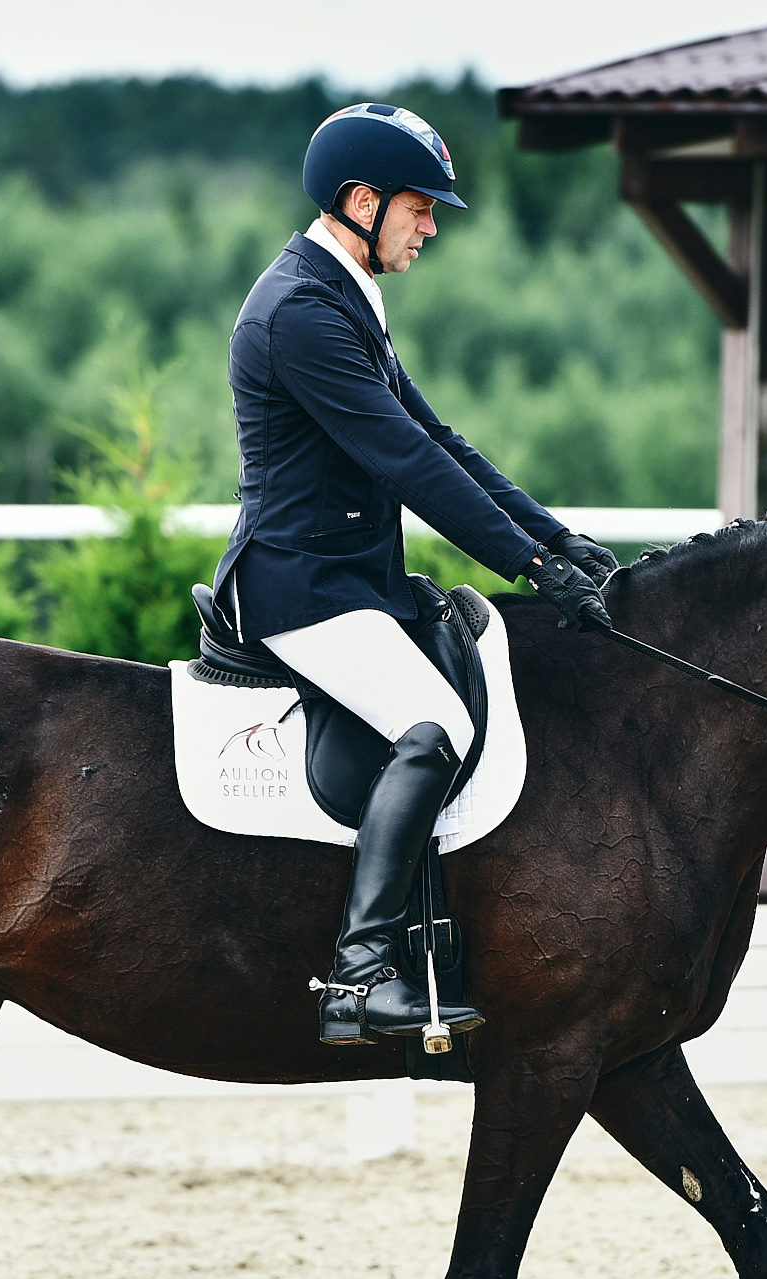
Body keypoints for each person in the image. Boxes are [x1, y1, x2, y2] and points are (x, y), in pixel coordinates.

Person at [217, 101, 618, 1048]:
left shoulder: (345, 288)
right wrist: (524, 564)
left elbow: (441, 440)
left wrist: (559, 541)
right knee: (432, 727)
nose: (431, 227)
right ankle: (359, 976)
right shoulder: (302, 313)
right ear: (362, 200)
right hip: (300, 587)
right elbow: (407, 462)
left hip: (352, 579)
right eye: (421, 208)